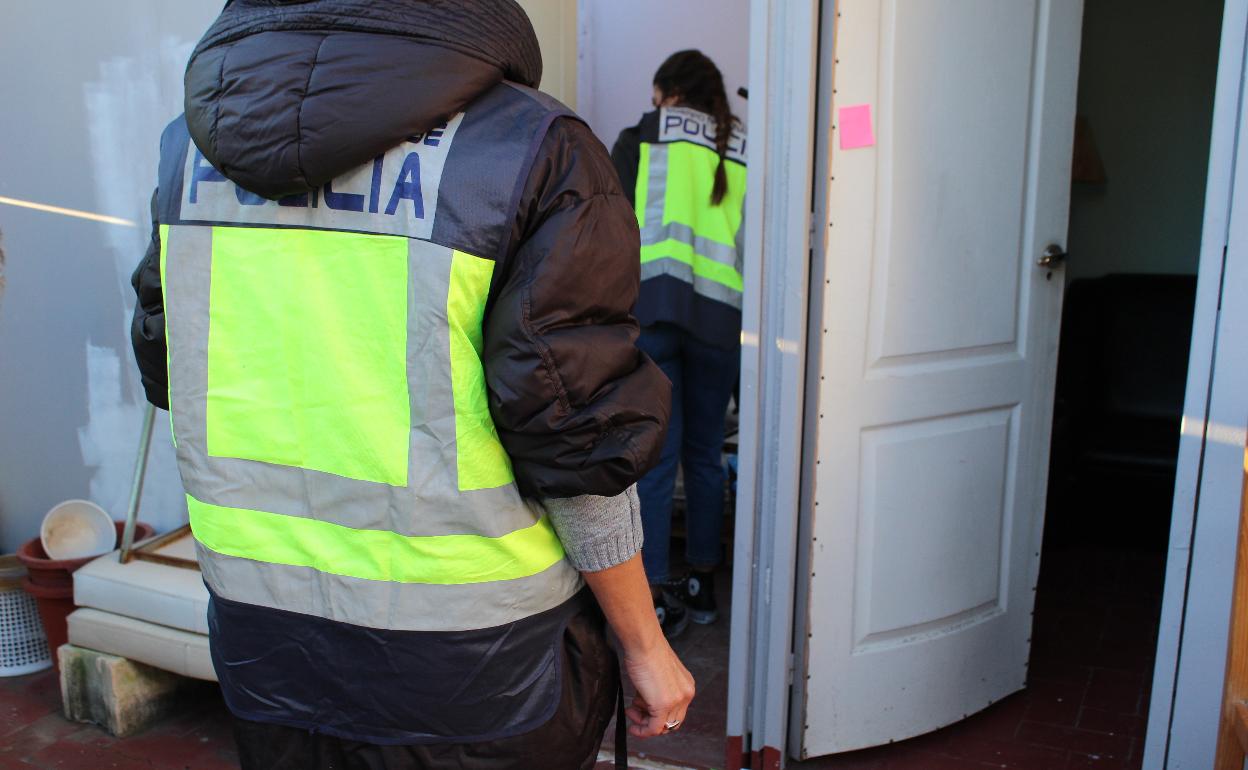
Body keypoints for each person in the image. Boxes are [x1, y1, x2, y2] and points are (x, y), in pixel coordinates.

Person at [129, 2, 693, 768]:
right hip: (480, 674)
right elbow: (576, 432)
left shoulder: (184, 150)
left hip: (268, 651)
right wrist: (644, 643)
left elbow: (169, 367)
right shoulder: (530, 149)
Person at [611, 51, 747, 638]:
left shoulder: (640, 136)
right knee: (705, 452)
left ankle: (660, 591)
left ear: (667, 93)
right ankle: (702, 581)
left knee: (658, 458)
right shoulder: (740, 145)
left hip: (656, 312)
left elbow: (607, 223)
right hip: (721, 320)